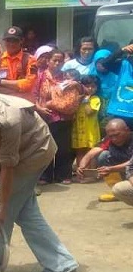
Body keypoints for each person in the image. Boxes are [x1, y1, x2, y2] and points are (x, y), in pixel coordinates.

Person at [0, 80, 78, 272]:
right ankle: (60, 264)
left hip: (33, 153)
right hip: (7, 156)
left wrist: (2, 205)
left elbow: (8, 166)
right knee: (26, 212)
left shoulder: (8, 118)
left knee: (6, 209)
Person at [36, 49, 82, 185]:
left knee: (63, 148)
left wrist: (77, 84)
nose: (57, 63)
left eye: (60, 61)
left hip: (64, 117)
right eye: (54, 60)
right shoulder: (41, 76)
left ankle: (63, 175)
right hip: (45, 116)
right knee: (46, 147)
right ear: (48, 61)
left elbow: (83, 90)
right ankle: (45, 176)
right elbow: (34, 94)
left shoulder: (67, 76)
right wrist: (39, 108)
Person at [76, 119, 133, 202]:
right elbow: (91, 153)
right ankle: (116, 191)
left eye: (117, 135)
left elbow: (131, 164)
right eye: (111, 136)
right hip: (125, 171)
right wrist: (81, 167)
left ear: (127, 130)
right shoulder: (109, 139)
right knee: (103, 155)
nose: (114, 139)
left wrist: (111, 169)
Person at [0, 26, 37, 100]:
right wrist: (13, 91)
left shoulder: (30, 60)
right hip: (1, 101)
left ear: (21, 41)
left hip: (23, 103)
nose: (11, 44)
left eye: (15, 41)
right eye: (8, 41)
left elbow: (29, 84)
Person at [98, 41, 133, 125]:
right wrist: (121, 51)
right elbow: (105, 63)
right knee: (119, 136)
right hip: (120, 111)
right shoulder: (123, 65)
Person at [72, 75, 101, 171]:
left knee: (91, 151)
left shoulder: (95, 99)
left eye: (93, 86)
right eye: (87, 86)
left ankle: (91, 173)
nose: (90, 89)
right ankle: (81, 173)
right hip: (78, 130)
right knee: (80, 151)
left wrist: (86, 99)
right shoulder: (78, 98)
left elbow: (89, 111)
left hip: (90, 132)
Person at [89, 49, 118, 128]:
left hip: (112, 110)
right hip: (94, 111)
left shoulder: (117, 75)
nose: (102, 65)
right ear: (95, 62)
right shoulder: (90, 76)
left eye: (105, 62)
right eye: (99, 62)